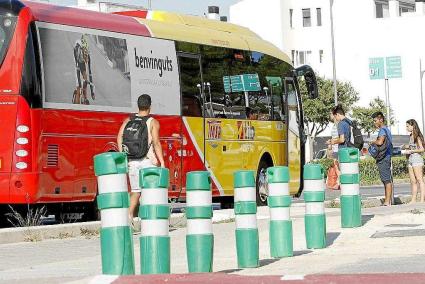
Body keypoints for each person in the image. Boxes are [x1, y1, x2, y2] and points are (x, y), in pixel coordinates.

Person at [117, 94, 165, 219]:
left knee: (136, 191)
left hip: (132, 161)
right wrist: (162, 162)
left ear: (138, 106)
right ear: (150, 106)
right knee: (149, 192)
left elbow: (119, 136)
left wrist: (123, 154)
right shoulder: (152, 122)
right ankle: (150, 219)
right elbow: (156, 143)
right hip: (147, 161)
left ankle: (128, 217)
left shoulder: (129, 120)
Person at [370, 112, 393, 206]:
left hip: (384, 158)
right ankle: (387, 200)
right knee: (385, 179)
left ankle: (387, 202)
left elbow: (380, 142)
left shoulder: (382, 130)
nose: (374, 123)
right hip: (386, 156)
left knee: (386, 180)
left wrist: (372, 142)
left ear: (381, 120)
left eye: (375, 121)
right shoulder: (386, 129)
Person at [403, 119, 425, 203]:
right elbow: (412, 147)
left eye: (408, 126)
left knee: (420, 180)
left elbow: (422, 149)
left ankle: (422, 199)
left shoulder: (417, 136)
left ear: (413, 126)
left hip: (417, 159)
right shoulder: (410, 136)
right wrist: (407, 147)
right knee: (413, 181)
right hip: (410, 159)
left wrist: (412, 151)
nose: (406, 128)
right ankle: (413, 199)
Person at [73, 35, 95, 105]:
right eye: (84, 56)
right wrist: (79, 84)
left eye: (86, 57)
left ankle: (84, 97)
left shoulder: (87, 55)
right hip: (77, 63)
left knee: (85, 81)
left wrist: (92, 92)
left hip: (81, 63)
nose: (86, 59)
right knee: (79, 86)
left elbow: (90, 72)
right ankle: (77, 101)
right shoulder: (77, 50)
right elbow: (77, 68)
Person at [326, 110, 340, 190]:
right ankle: (338, 183)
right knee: (336, 166)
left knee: (337, 167)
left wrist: (332, 142)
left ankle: (339, 183)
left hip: (338, 148)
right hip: (335, 148)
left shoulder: (338, 125)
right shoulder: (334, 125)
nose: (329, 115)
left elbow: (341, 137)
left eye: (330, 114)